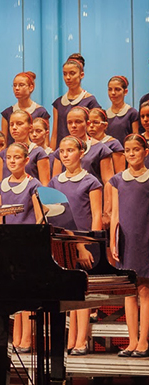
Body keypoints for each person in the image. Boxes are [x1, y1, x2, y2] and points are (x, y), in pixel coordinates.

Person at [49, 136, 102, 355]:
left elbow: (96, 216)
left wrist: (86, 245)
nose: (65, 155)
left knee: (82, 291)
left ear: (81, 153)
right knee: (68, 292)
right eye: (62, 151)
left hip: (84, 243)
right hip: (63, 243)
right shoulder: (54, 182)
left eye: (70, 150)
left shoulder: (91, 182)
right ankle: (70, 338)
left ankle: (82, 338)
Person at [0, 143, 44, 352]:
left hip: (27, 244)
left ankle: (27, 338)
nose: (12, 161)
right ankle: (15, 337)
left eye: (17, 157)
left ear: (26, 160)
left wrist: (35, 240)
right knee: (13, 293)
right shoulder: (1, 186)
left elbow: (40, 215)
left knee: (26, 292)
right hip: (8, 245)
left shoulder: (33, 184)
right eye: (9, 157)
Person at [109, 134, 149, 357]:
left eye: (136, 149)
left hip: (145, 238)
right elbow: (115, 213)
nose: (131, 153)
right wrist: (114, 241)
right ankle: (132, 341)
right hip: (126, 239)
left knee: (144, 290)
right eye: (127, 150)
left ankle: (144, 341)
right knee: (129, 291)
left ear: (145, 151)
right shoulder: (117, 180)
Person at [51, 53, 102, 149]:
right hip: (63, 152)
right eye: (65, 74)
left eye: (72, 73)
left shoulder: (90, 101)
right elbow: (55, 134)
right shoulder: (58, 103)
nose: (68, 77)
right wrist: (52, 155)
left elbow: (95, 131)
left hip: (84, 151)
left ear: (81, 75)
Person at [0, 110, 51, 186]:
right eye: (11, 124)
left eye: (19, 124)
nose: (14, 127)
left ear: (30, 127)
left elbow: (45, 184)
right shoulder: (2, 154)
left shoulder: (38, 153)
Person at [1, 72, 51, 145]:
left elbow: (46, 142)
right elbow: (4, 142)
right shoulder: (7, 113)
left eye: (21, 85)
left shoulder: (41, 112)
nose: (17, 88)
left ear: (31, 87)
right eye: (14, 85)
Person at [88, 108, 125, 173]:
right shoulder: (85, 144)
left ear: (105, 125)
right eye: (89, 122)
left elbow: (119, 173)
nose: (91, 126)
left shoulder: (114, 144)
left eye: (95, 122)